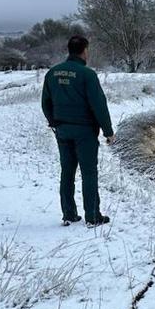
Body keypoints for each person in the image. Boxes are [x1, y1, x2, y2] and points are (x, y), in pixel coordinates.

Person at [41, 35, 115, 226]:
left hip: (62, 130)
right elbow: (99, 105)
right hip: (85, 132)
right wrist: (108, 131)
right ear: (85, 50)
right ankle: (92, 216)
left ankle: (69, 214)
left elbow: (45, 103)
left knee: (67, 172)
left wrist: (54, 123)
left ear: (69, 50)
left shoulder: (52, 73)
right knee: (89, 173)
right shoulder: (87, 75)